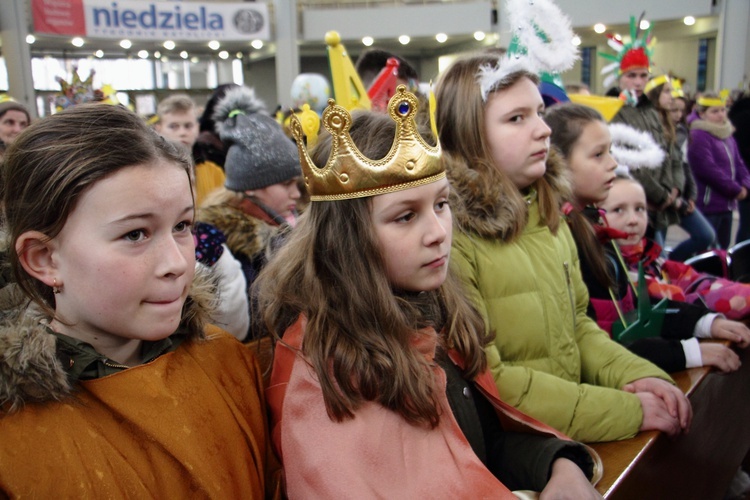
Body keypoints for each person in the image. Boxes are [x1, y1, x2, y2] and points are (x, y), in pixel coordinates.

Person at [258, 87, 601, 498]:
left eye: (441, 204)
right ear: (347, 236)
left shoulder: (436, 311)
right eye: (405, 216)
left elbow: (479, 446)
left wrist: (560, 465)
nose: (439, 234)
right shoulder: (325, 364)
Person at [0, 103, 280, 497]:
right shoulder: (16, 437)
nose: (177, 263)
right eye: (135, 234)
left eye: (183, 226)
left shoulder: (229, 361)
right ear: (44, 259)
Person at [435, 52, 691, 443]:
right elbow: (494, 379)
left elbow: (578, 328)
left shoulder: (545, 213)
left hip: (567, 429)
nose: (542, 130)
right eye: (516, 118)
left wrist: (635, 374)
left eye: (539, 112)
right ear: (471, 133)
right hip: (517, 448)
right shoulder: (451, 235)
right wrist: (623, 410)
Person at [544, 102, 748, 373]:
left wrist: (704, 322)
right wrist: (686, 352)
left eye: (611, 151)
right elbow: (600, 340)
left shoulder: (592, 224)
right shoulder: (564, 238)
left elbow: (633, 308)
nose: (613, 163)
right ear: (559, 162)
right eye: (598, 155)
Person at [198, 86, 301, 341]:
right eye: (286, 184)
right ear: (253, 186)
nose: (297, 194)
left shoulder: (288, 224)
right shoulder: (228, 245)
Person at [597, 175, 750, 321]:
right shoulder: (609, 270)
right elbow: (676, 302)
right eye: (618, 210)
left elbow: (694, 280)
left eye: (640, 209)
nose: (633, 220)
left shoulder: (652, 261)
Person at [644, 76, 715, 261]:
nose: (677, 114)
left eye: (681, 110)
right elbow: (649, 168)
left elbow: (680, 164)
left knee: (706, 235)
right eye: (666, 92)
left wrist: (687, 193)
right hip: (658, 198)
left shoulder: (675, 128)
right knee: (658, 253)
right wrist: (667, 195)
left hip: (675, 195)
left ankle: (674, 265)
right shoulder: (646, 124)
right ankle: (668, 269)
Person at [688, 92, 750, 249]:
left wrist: (745, 184)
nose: (721, 115)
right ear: (702, 113)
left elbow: (739, 162)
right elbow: (708, 169)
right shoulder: (698, 134)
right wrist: (735, 189)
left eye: (722, 110)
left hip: (727, 204)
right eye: (714, 111)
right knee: (709, 248)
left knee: (723, 247)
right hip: (709, 203)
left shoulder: (726, 134)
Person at [156, 93, 225, 205]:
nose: (182, 132)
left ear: (197, 128)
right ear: (158, 129)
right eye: (173, 126)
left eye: (188, 126)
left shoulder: (214, 172)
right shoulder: (150, 172)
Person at [728, 91, 750, 242]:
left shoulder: (736, 114)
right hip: (745, 176)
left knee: (746, 225)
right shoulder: (745, 117)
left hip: (741, 175)